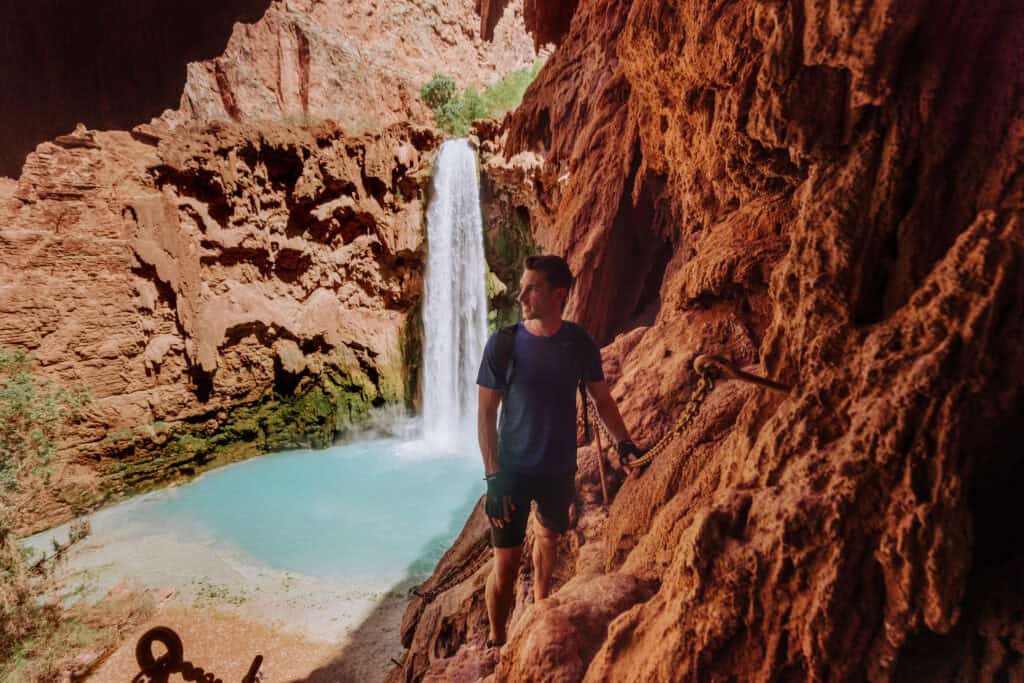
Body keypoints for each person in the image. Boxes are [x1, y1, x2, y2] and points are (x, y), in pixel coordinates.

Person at [476, 254, 644, 648]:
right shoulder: (504, 344)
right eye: (522, 286)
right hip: (512, 473)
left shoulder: (578, 343)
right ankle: (498, 641)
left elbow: (602, 400)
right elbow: (485, 414)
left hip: (557, 466)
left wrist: (625, 444)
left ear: (558, 295)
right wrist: (493, 477)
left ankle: (540, 603)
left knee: (549, 537)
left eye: (531, 288)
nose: (521, 296)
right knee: (505, 563)